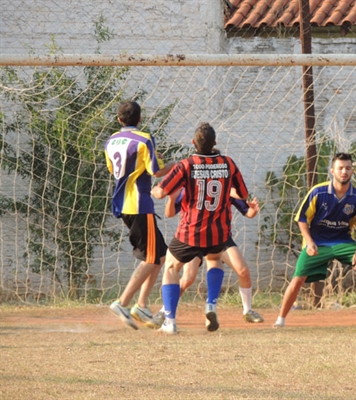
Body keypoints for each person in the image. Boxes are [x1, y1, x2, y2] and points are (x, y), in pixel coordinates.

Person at [151, 122, 249, 334]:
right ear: (214, 144)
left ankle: (170, 322)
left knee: (170, 268)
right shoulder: (228, 163)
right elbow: (242, 194)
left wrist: (153, 190)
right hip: (218, 233)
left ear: (193, 143)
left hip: (191, 232)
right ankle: (210, 305)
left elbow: (160, 193)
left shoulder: (186, 165)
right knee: (214, 260)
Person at [273, 152, 356, 328]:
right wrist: (309, 242)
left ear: (352, 171)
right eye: (340, 168)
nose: (344, 171)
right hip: (317, 243)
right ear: (332, 171)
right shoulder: (318, 192)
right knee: (298, 279)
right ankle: (280, 320)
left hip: (343, 242)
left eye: (348, 168)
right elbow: (301, 219)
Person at [104, 100, 175, 330]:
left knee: (160, 255)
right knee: (152, 258)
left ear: (119, 120)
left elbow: (116, 169)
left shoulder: (111, 141)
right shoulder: (144, 139)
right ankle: (123, 302)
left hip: (123, 204)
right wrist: (177, 164)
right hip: (139, 204)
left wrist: (155, 158)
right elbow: (156, 171)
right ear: (140, 119)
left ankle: (142, 305)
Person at [151, 187, 264, 325]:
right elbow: (170, 212)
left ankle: (245, 310)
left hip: (219, 236)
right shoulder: (191, 186)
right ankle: (165, 311)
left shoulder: (225, 186)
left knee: (242, 270)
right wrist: (171, 198)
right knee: (188, 278)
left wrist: (252, 209)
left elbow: (248, 212)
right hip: (194, 236)